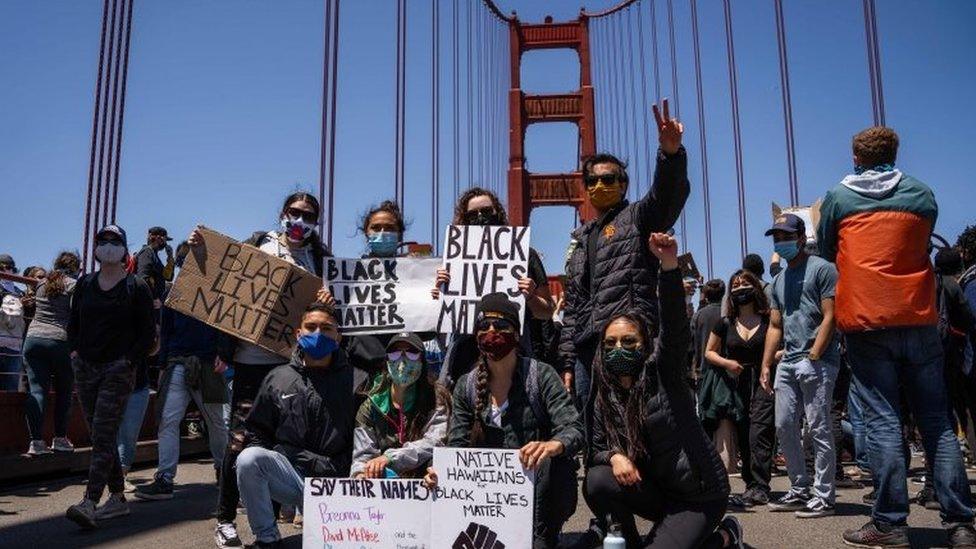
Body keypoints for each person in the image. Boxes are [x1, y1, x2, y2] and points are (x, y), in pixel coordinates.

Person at [818, 127, 976, 546]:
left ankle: (890, 524)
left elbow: (826, 247)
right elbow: (922, 240)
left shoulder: (838, 198)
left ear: (855, 158)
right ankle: (960, 525)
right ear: (895, 151)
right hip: (919, 316)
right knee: (937, 422)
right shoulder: (922, 194)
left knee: (884, 421)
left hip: (868, 319)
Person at [583, 232, 741, 548]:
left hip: (698, 495)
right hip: (658, 493)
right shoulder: (606, 394)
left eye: (629, 342)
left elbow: (674, 326)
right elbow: (595, 447)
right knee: (597, 480)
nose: (618, 349)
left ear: (646, 345)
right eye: (610, 343)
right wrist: (614, 456)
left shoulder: (663, 373)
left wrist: (668, 266)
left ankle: (725, 536)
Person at [194, 191, 335, 548]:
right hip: (250, 363)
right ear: (283, 213)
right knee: (239, 443)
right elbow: (222, 279)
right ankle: (225, 519)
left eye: (309, 216)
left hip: (293, 366)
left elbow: (334, 312)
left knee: (278, 444)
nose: (300, 221)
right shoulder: (259, 245)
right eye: (294, 212)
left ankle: (266, 522)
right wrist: (199, 248)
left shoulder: (321, 260)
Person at [560, 98, 689, 416]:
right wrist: (567, 361)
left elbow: (665, 199)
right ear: (585, 188)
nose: (600, 185)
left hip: (627, 341)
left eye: (609, 179)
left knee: (637, 421)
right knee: (595, 429)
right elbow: (573, 309)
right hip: (588, 351)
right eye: (592, 181)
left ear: (623, 184)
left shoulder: (637, 218)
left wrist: (670, 155)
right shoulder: (580, 241)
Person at [424, 292, 583, 548]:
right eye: (483, 326)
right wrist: (439, 472)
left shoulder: (540, 376)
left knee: (557, 468)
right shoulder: (467, 385)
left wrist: (552, 445)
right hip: (485, 504)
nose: (491, 331)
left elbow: (574, 429)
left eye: (500, 326)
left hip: (539, 495)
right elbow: (456, 446)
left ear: (516, 334)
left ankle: (545, 536)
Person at [235, 301, 354, 548]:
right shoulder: (278, 378)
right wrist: (280, 456)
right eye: (311, 327)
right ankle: (267, 538)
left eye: (327, 328)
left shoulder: (357, 379)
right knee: (248, 459)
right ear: (298, 334)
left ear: (339, 337)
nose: (318, 333)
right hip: (294, 480)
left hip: (341, 484)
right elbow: (258, 431)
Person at [65, 225, 155, 528]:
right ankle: (117, 498)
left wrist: (129, 361)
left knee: (103, 433)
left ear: (124, 247)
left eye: (114, 241)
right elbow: (73, 322)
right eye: (102, 241)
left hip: (118, 369)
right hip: (86, 367)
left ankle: (90, 501)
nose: (107, 245)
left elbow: (147, 333)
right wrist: (75, 353)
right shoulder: (85, 284)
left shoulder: (136, 286)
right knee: (100, 435)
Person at [758, 213, 840, 519]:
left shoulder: (823, 269)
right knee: (784, 425)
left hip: (818, 360)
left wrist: (815, 355)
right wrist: (767, 364)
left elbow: (831, 315)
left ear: (801, 237)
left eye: (786, 236)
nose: (781, 241)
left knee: (817, 428)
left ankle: (824, 495)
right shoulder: (777, 281)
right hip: (788, 362)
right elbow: (775, 326)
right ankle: (800, 487)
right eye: (777, 237)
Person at [433, 187, 556, 388]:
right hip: (465, 356)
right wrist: (440, 290)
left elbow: (547, 312)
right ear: (464, 220)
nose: (480, 217)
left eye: (486, 211)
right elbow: (442, 316)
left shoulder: (525, 254)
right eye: (472, 214)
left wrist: (531, 296)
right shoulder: (453, 259)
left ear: (498, 213)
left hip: (512, 353)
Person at [134, 242, 228, 501]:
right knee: (168, 420)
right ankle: (165, 478)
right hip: (177, 362)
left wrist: (225, 354)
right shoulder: (171, 295)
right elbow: (165, 332)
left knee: (217, 423)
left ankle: (224, 472)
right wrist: (163, 366)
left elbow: (226, 327)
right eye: (185, 260)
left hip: (209, 364)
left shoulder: (218, 294)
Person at [703, 270, 774, 508]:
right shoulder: (724, 323)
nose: (740, 289)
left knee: (759, 432)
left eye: (745, 284)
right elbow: (709, 352)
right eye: (735, 285)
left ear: (755, 288)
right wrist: (727, 363)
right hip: (736, 383)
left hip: (763, 380)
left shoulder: (768, 319)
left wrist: (771, 359)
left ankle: (761, 485)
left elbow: (781, 346)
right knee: (744, 433)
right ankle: (751, 484)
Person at [350, 332, 449, 478]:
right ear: (387, 361)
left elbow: (435, 442)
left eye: (412, 353)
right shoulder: (369, 406)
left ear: (422, 361)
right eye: (395, 353)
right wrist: (359, 473)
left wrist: (390, 458)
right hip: (384, 488)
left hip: (425, 481)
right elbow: (362, 455)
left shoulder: (436, 398)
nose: (402, 361)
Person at [23, 251, 81, 455]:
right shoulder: (74, 285)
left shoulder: (41, 282)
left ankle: (36, 443)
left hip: (33, 339)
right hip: (60, 341)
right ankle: (60, 439)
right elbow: (77, 316)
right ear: (76, 268)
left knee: (37, 391)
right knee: (64, 392)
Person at [691, 279, 725, 385]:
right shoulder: (729, 314)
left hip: (703, 373)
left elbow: (691, 344)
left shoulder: (697, 316)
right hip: (726, 372)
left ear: (706, 295)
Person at [0, 257, 25, 392]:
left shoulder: (19, 292)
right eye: (2, 268)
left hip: (14, 346)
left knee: (11, 390)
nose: (7, 271)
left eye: (10, 267)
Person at [134, 226, 175, 310]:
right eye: (165, 240)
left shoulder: (154, 255)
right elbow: (143, 277)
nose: (166, 243)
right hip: (147, 304)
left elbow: (168, 277)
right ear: (159, 238)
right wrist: (154, 297)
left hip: (153, 304)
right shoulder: (147, 252)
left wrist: (170, 257)